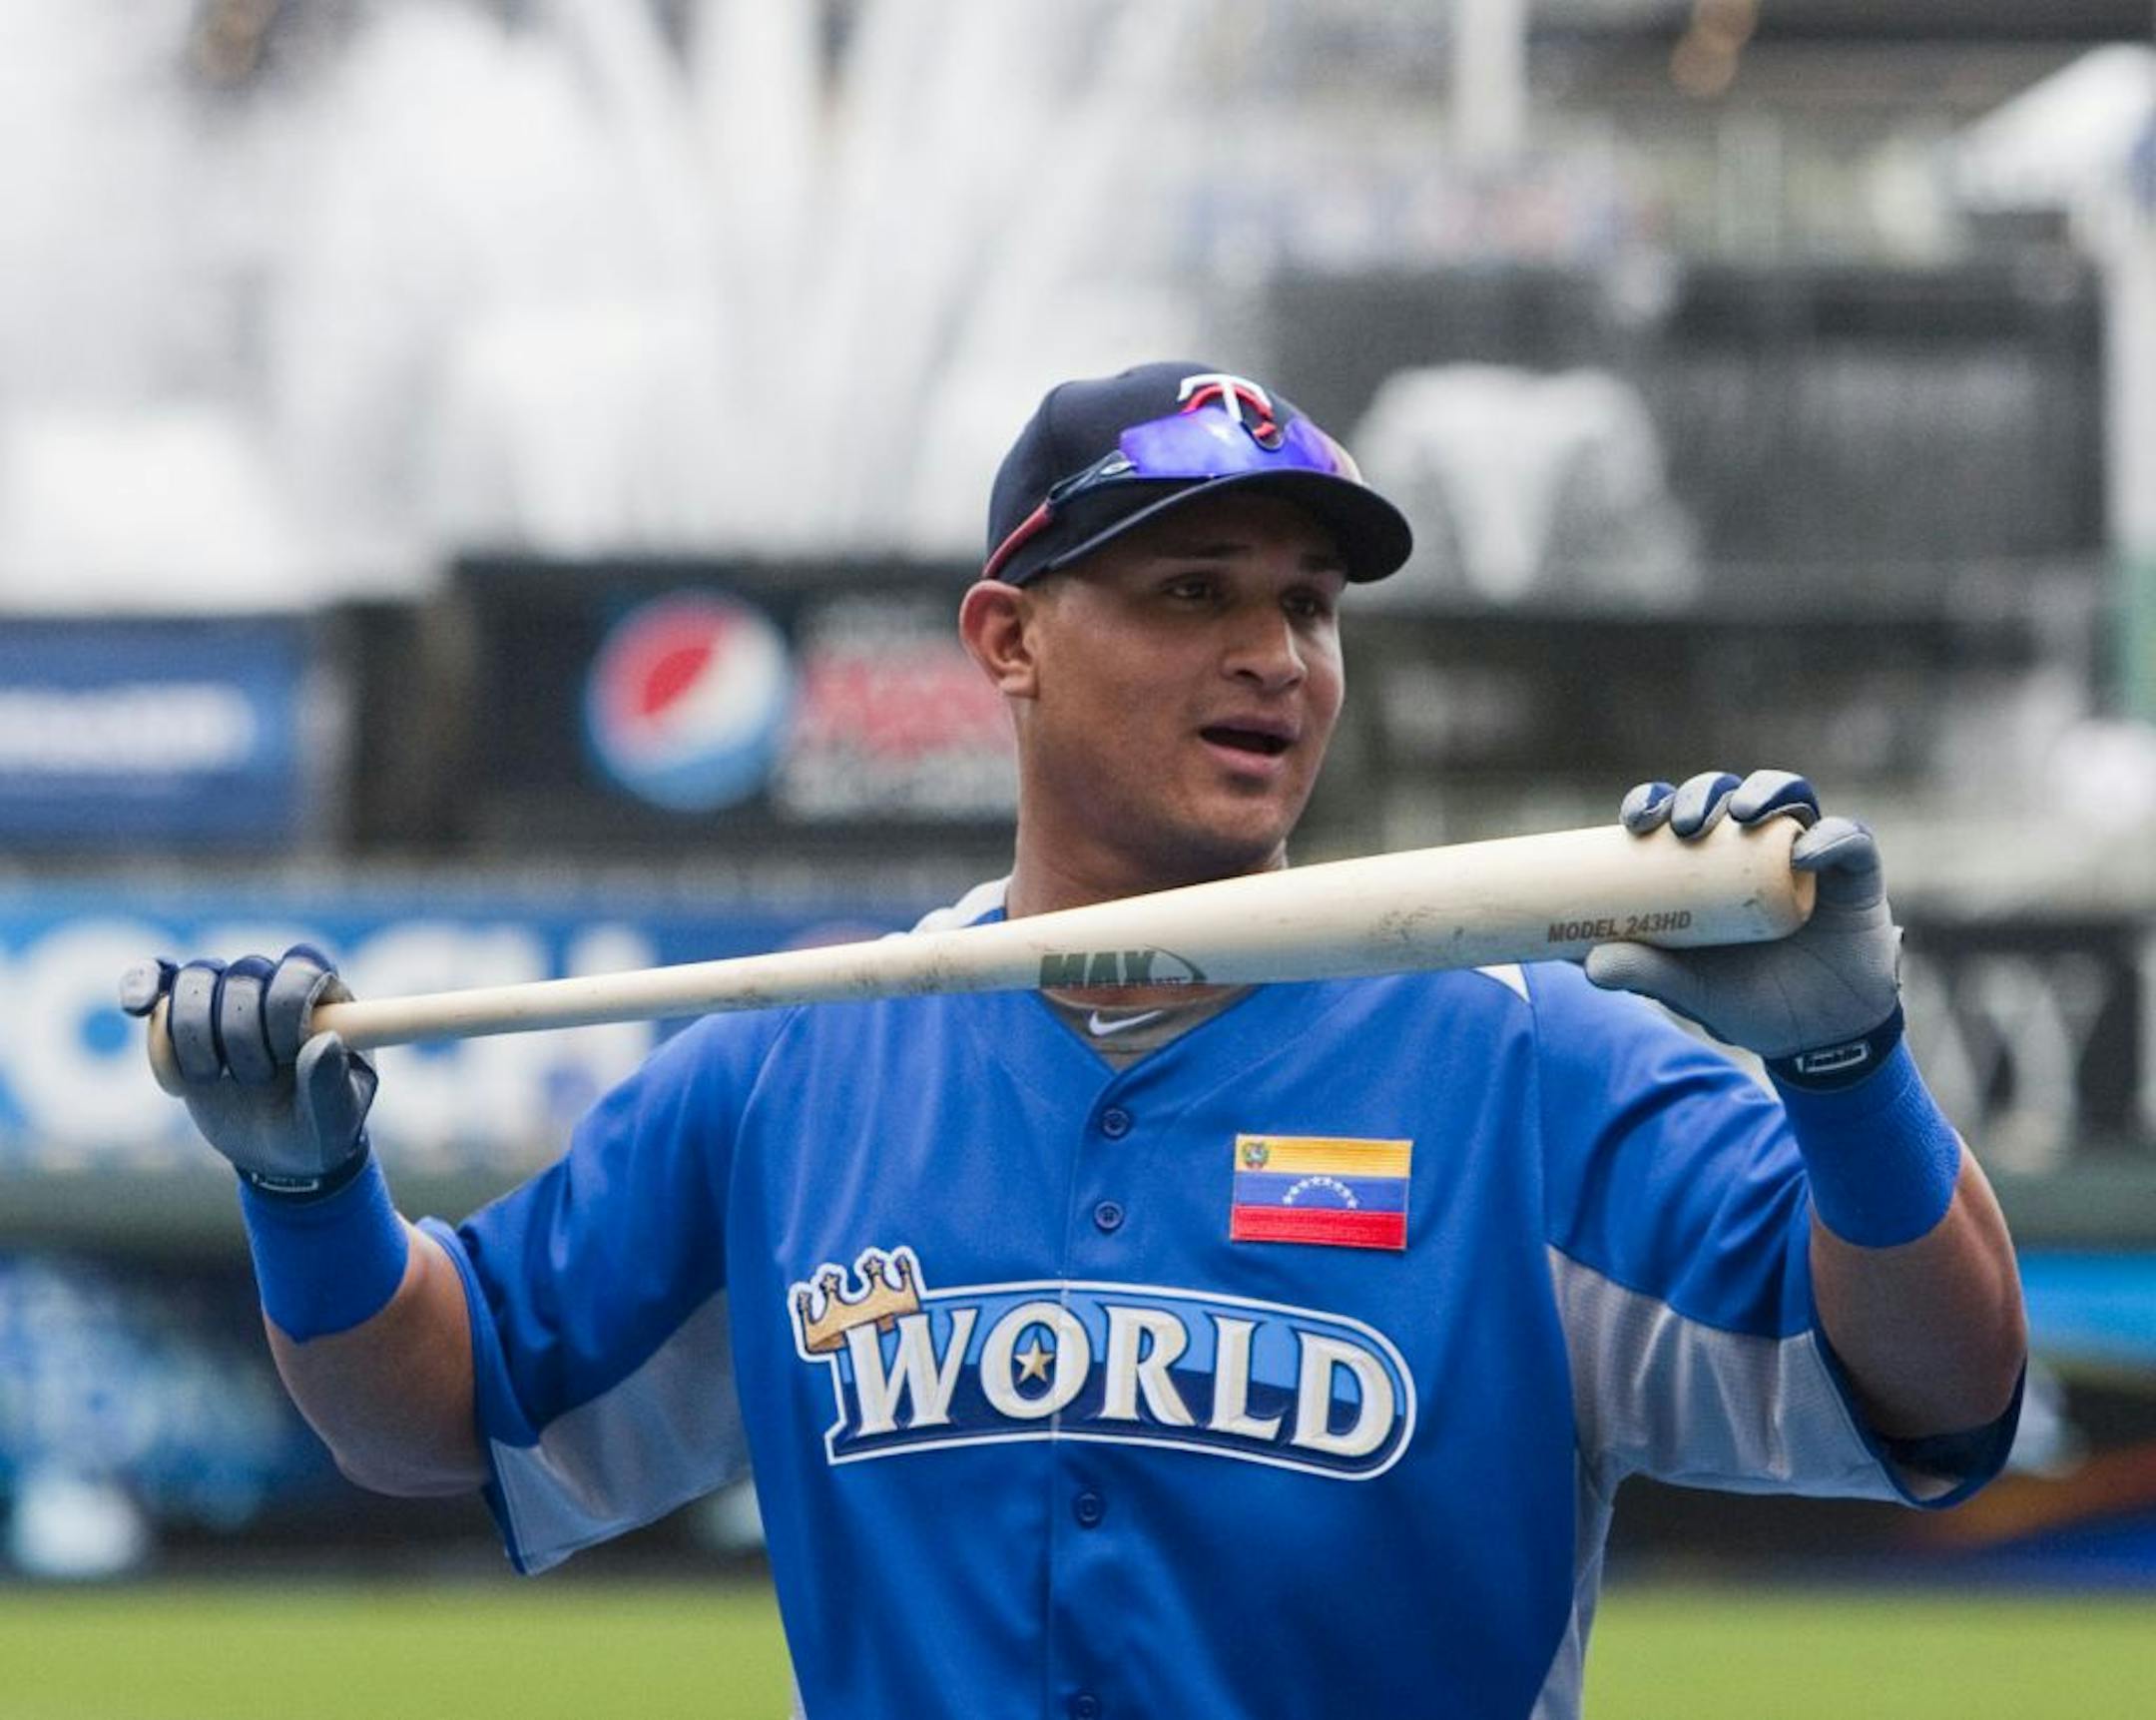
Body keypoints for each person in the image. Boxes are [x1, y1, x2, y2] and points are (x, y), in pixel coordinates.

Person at [128, 361, 2026, 1719]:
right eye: (1190, 593)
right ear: (1007, 642)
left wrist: (1850, 1086)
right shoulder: (801, 1063)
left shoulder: (1539, 1059)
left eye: (1306, 603)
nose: (1274, 655)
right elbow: (446, 1412)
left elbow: (1941, 1399)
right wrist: (308, 1188)